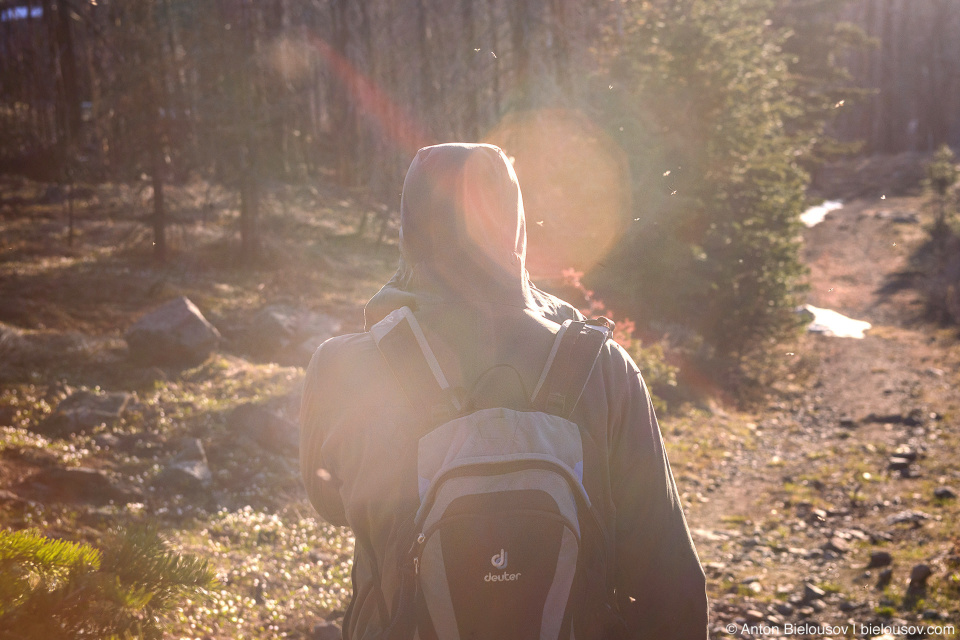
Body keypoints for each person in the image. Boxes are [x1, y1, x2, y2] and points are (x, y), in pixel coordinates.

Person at [300, 143, 708, 640]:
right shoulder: (600, 367)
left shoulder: (343, 367)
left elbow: (329, 502)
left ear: (410, 226)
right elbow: (670, 578)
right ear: (516, 225)